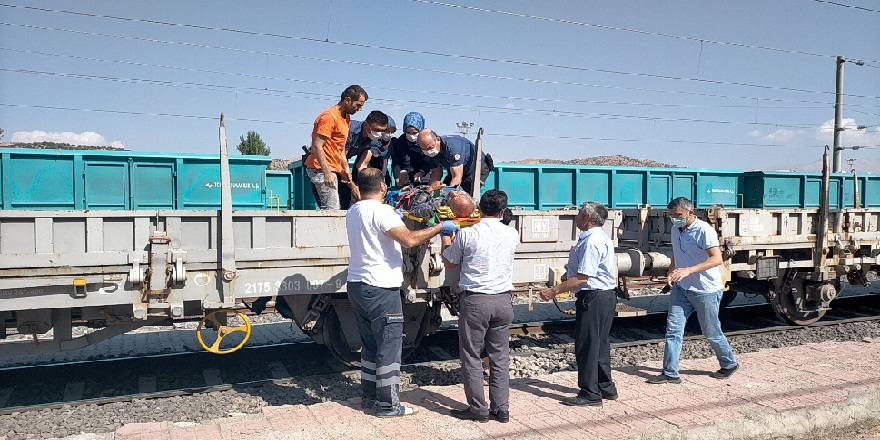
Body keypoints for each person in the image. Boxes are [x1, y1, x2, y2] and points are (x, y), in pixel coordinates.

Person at [346, 167, 459, 417]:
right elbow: (408, 240)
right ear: (383, 187)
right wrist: (441, 228)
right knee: (389, 345)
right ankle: (388, 406)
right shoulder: (382, 212)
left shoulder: (353, 210)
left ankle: (369, 397)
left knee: (370, 346)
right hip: (380, 287)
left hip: (356, 285)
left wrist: (393, 216)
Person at [441, 189, 519, 423]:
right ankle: (501, 409)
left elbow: (450, 262)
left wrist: (446, 235)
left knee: (472, 357)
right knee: (500, 357)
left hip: (476, 301)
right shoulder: (512, 234)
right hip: (503, 301)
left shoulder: (467, 234)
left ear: (479, 209)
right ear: (502, 211)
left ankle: (478, 409)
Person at [647, 197, 739, 384]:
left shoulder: (704, 230)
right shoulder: (675, 229)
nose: (674, 219)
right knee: (673, 330)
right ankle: (670, 373)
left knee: (711, 331)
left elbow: (716, 259)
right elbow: (677, 252)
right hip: (682, 288)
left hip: (706, 290)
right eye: (671, 215)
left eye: (678, 215)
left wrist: (688, 270)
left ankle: (729, 363)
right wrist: (671, 272)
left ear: (690, 213)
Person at [539, 201, 618, 407]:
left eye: (580, 213)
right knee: (599, 344)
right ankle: (605, 386)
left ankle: (590, 393)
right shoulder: (598, 237)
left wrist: (554, 291)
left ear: (588, 218)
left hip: (594, 297)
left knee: (587, 346)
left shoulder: (591, 241)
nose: (577, 217)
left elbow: (583, 278)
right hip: (604, 296)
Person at [304, 85, 367, 210]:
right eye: (358, 105)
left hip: (332, 168)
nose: (360, 109)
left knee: (334, 208)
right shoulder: (329, 117)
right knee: (331, 209)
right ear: (347, 100)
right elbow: (317, 146)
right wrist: (327, 172)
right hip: (321, 169)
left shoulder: (345, 117)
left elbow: (340, 148)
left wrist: (345, 170)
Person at [416, 129, 491, 195]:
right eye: (425, 149)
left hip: (475, 170)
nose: (429, 152)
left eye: (430, 147)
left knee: (462, 197)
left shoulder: (453, 147)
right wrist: (429, 192)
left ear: (438, 139)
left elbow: (457, 177)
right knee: (440, 191)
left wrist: (449, 195)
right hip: (455, 171)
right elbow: (436, 173)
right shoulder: (426, 153)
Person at [339, 110, 389, 208]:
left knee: (349, 197)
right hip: (330, 162)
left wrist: (364, 186)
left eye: (382, 131)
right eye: (376, 130)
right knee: (337, 199)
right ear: (366, 124)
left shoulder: (376, 139)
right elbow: (340, 157)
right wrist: (352, 185)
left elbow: (362, 165)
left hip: (342, 162)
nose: (379, 134)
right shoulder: (349, 130)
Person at [354, 116, 396, 186]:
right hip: (365, 173)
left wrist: (383, 177)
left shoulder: (390, 144)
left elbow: (385, 161)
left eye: (392, 132)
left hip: (382, 174)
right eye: (387, 131)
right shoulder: (371, 141)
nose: (389, 134)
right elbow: (362, 164)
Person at [390, 112, 430, 186]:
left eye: (414, 133)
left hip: (425, 177)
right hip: (406, 178)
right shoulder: (400, 142)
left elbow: (430, 161)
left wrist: (421, 172)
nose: (411, 136)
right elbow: (396, 161)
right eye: (408, 132)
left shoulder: (426, 141)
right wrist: (398, 178)